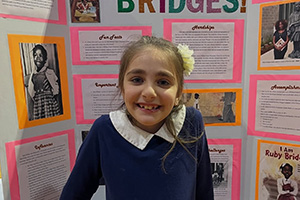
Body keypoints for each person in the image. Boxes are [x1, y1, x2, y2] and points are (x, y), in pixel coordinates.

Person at [60, 36, 214, 200]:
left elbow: (204, 190)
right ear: (122, 87)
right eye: (137, 80)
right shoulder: (104, 130)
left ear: (178, 92)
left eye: (163, 82)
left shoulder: (191, 122)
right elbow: (73, 193)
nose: (149, 92)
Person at [26, 44, 61, 120]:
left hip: (48, 102)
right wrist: (37, 97)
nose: (37, 58)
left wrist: (49, 94)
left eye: (40, 55)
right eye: (35, 55)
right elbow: (31, 91)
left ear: (45, 59)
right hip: (39, 103)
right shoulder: (33, 75)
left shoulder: (49, 72)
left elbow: (56, 88)